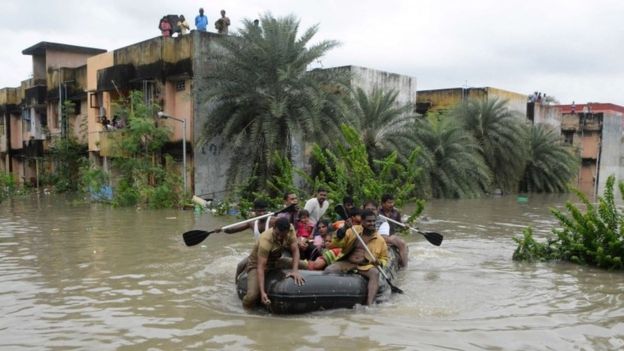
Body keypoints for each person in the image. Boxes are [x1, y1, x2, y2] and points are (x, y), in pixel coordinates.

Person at [325, 209, 388, 306]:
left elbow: (384, 258)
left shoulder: (380, 240)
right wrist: (344, 228)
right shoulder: (353, 230)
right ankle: (332, 299)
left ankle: (370, 304)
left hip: (365, 266)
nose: (371, 223)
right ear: (362, 221)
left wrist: (379, 262)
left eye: (373, 221)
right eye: (368, 221)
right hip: (348, 262)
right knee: (329, 269)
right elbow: (335, 243)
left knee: (375, 273)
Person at [242, 217, 306, 309]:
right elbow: (261, 267)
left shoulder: (290, 230)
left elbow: (295, 251)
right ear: (274, 227)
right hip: (256, 265)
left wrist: (295, 271)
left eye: (282, 235)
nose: (279, 237)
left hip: (275, 261)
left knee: (305, 265)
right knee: (252, 296)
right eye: (277, 234)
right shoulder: (266, 240)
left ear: (287, 231)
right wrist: (263, 292)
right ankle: (245, 310)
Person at [214, 199, 272, 280]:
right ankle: (236, 283)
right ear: (254, 211)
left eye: (264, 211)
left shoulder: (273, 220)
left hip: (272, 252)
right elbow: (233, 230)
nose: (262, 213)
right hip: (258, 252)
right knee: (240, 265)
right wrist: (223, 229)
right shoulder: (252, 223)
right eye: (259, 211)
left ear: (267, 211)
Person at [378, 194, 409, 268]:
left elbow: (400, 225)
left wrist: (405, 227)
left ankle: (404, 265)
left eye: (392, 202)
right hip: (381, 236)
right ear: (382, 203)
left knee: (405, 247)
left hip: (392, 236)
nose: (391, 205)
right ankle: (405, 267)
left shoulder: (396, 212)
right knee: (402, 244)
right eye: (389, 203)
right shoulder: (377, 212)